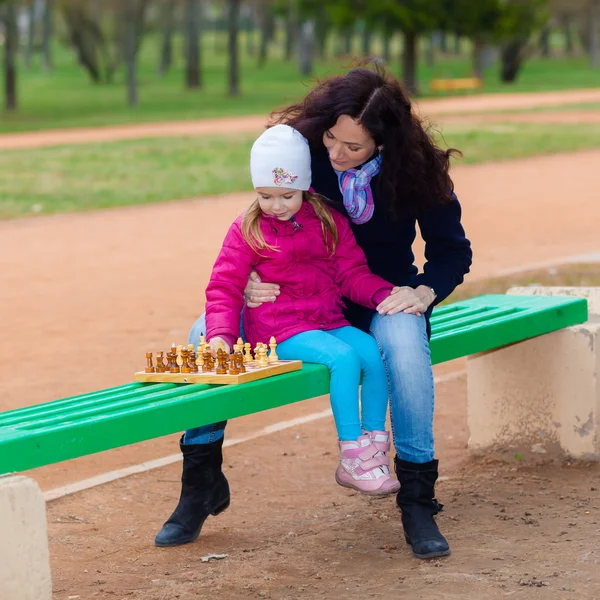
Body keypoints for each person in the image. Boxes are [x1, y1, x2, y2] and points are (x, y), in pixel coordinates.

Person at [155, 61, 472, 560]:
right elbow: (259, 222)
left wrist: (423, 292)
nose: (336, 153)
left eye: (353, 147)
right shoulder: (304, 156)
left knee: (405, 347)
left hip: (375, 295)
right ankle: (201, 481)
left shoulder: (418, 171)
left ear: (384, 143)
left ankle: (416, 497)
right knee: (204, 333)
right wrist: (251, 282)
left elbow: (452, 252)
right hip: (294, 301)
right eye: (330, 139)